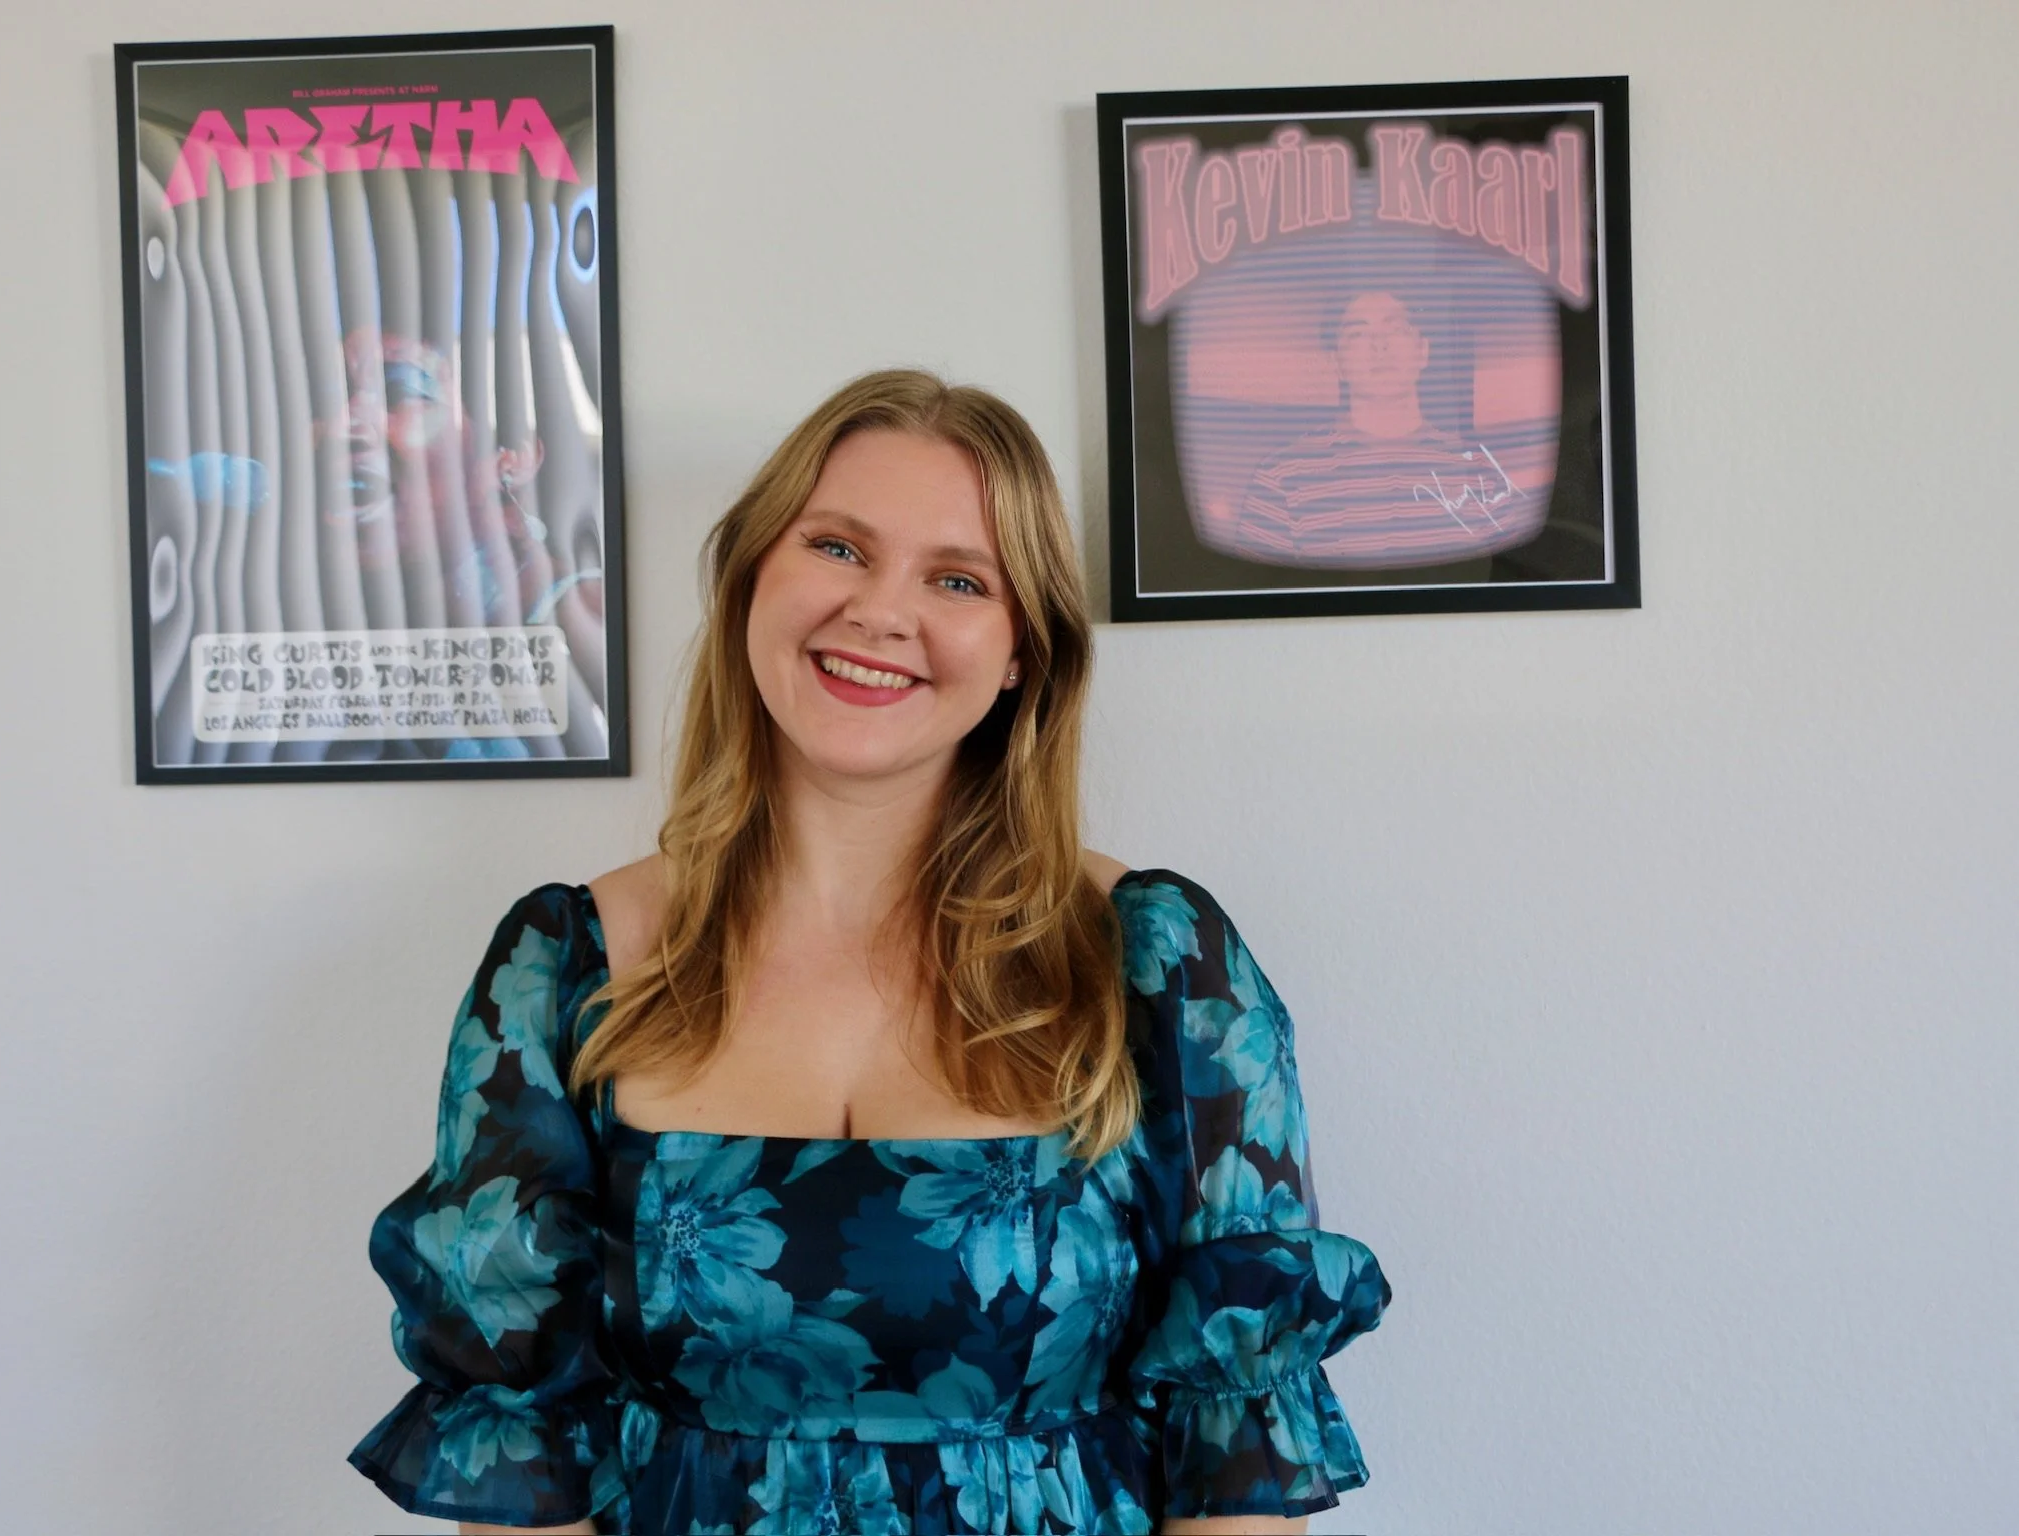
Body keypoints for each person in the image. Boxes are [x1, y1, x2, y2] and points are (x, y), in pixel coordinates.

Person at [348, 370, 1390, 1534]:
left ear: (1017, 656)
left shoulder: (1158, 961)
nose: (879, 612)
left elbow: (1235, 1460)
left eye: (956, 579)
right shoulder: (566, 965)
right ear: (753, 577)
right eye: (837, 548)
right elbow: (517, 1461)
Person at [1210, 289, 1533, 569]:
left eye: (1396, 329)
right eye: (1358, 334)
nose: (1380, 346)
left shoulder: (1478, 471)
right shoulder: (1282, 476)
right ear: (1337, 362)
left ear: (1423, 351)